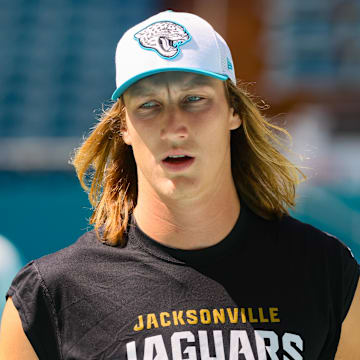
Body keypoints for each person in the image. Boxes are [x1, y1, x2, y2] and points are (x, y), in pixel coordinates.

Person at [0, 10, 359, 360]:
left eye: (194, 99)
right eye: (149, 105)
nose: (174, 127)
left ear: (233, 111)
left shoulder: (325, 273)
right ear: (123, 126)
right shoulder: (49, 299)